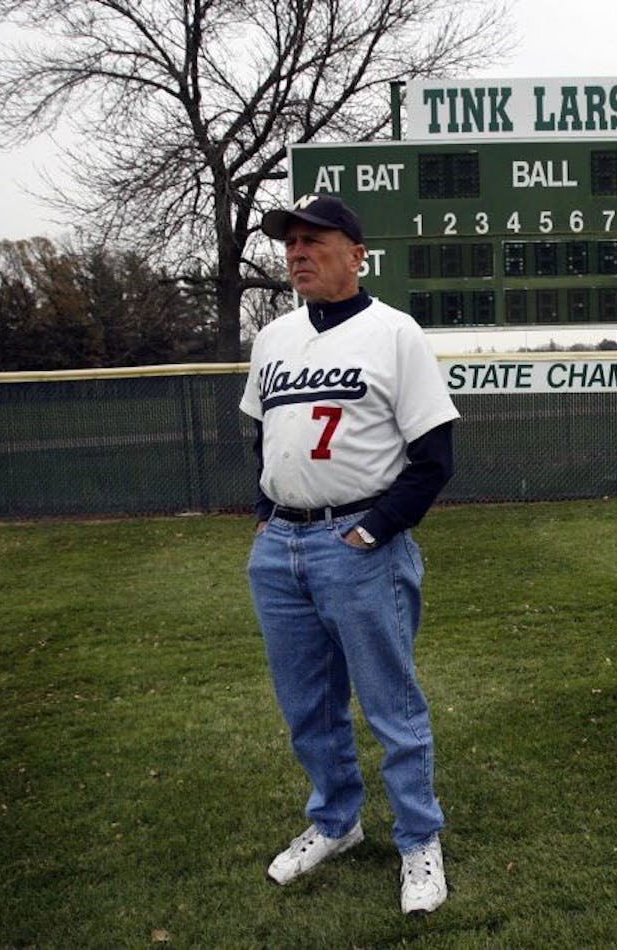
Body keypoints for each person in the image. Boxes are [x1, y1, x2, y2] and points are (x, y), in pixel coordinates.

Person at [239, 193, 459, 914]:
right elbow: (263, 439)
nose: (297, 253)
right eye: (290, 243)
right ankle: (336, 823)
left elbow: (434, 459)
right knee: (308, 707)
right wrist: (267, 517)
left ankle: (419, 841)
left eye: (314, 241)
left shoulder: (394, 333)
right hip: (283, 550)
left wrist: (373, 531)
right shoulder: (272, 339)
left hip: (360, 544)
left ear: (357, 253)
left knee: (391, 707)